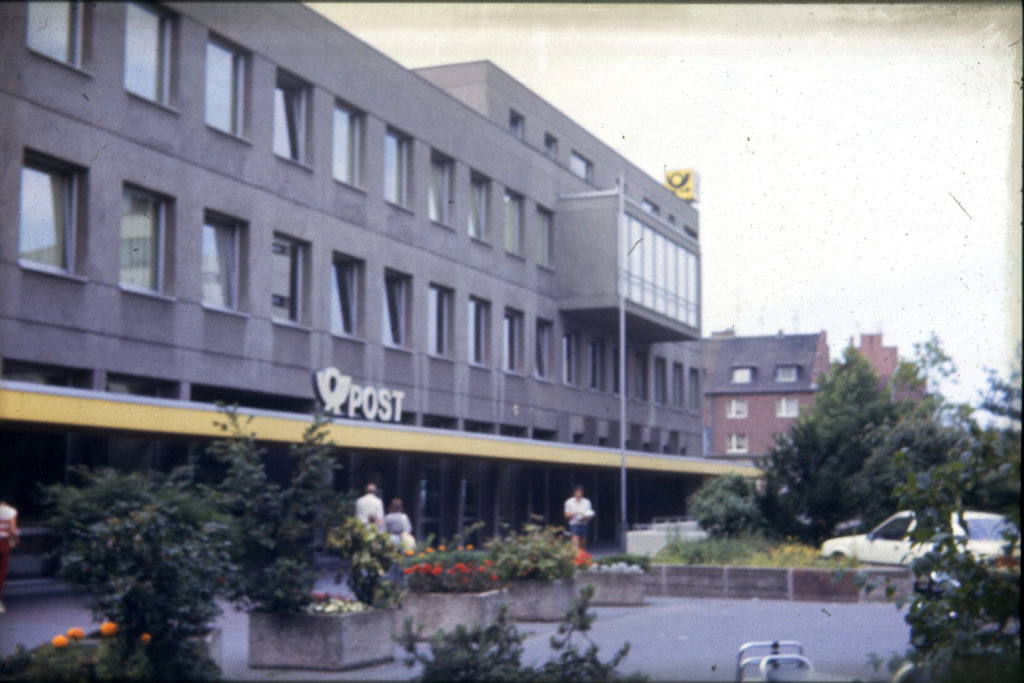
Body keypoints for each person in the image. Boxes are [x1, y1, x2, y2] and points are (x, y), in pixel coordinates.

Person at [0, 499, 18, 613]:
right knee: (1, 572)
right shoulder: (10, 511)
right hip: (2, 543)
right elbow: (13, 529)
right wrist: (15, 540)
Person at [564, 484, 594, 550]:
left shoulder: (587, 502)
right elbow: (566, 515)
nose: (579, 494)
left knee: (582, 545)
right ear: (574, 493)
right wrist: (574, 514)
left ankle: (582, 559)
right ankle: (575, 558)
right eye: (577, 492)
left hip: (584, 524)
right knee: (575, 544)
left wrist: (586, 517)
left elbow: (589, 515)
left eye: (580, 492)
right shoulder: (569, 502)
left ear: (582, 493)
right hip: (574, 524)